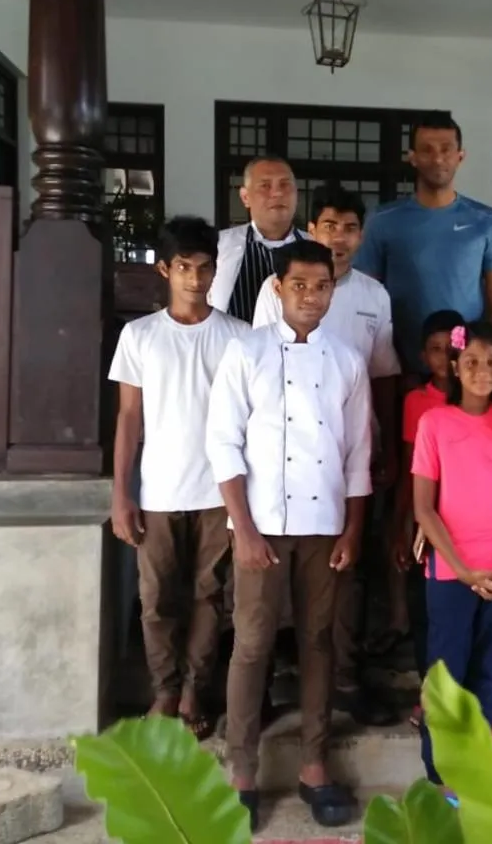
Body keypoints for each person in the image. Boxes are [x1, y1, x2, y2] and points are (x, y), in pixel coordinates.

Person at [207, 239, 373, 831]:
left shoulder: (348, 360)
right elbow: (222, 445)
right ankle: (242, 771)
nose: (310, 295)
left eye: (321, 285)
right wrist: (243, 530)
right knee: (251, 646)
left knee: (319, 643)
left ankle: (313, 766)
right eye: (298, 285)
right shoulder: (245, 351)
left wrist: (352, 530)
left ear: (333, 289)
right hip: (261, 529)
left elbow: (358, 455)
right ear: (276, 289)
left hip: (324, 528)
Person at [252, 182, 400, 726]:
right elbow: (264, 371)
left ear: (362, 236)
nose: (339, 237)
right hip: (283, 459)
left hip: (347, 455)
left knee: (346, 571)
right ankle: (266, 682)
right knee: (269, 581)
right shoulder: (277, 291)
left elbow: (383, 375)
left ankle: (344, 679)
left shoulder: (373, 296)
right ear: (312, 230)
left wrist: (381, 442)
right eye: (329, 225)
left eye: (351, 227)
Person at [107, 217, 249, 739]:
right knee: (156, 599)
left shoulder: (238, 336)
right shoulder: (139, 336)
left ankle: (195, 688)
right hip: (160, 490)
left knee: (211, 596)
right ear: (165, 269)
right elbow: (128, 418)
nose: (195, 277)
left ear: (216, 268)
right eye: (183, 267)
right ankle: (164, 690)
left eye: (204, 266)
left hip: (220, 492)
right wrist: (122, 492)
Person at [411, 320, 492, 794]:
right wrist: (460, 569)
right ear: (456, 366)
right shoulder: (434, 423)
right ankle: (443, 776)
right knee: (446, 673)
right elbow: (424, 507)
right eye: (473, 361)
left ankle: (477, 769)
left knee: (485, 671)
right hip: (450, 573)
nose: (483, 370)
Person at [354, 112, 492, 369]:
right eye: (426, 150)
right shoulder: (382, 220)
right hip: (398, 366)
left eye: (446, 149)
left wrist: (487, 361)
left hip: (465, 369)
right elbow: (363, 299)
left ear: (460, 156)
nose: (438, 158)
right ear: (412, 157)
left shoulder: (485, 220)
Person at [390, 308, 466, 729]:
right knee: (427, 614)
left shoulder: (482, 397)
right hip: (428, 522)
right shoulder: (416, 402)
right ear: (423, 355)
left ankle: (461, 695)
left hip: (472, 523)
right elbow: (407, 468)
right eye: (435, 350)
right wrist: (402, 527)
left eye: (452, 349)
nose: (445, 359)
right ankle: (428, 691)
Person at [209, 155, 308, 324]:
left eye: (284, 185)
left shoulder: (315, 246)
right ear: (245, 197)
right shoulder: (219, 245)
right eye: (265, 186)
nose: (277, 193)